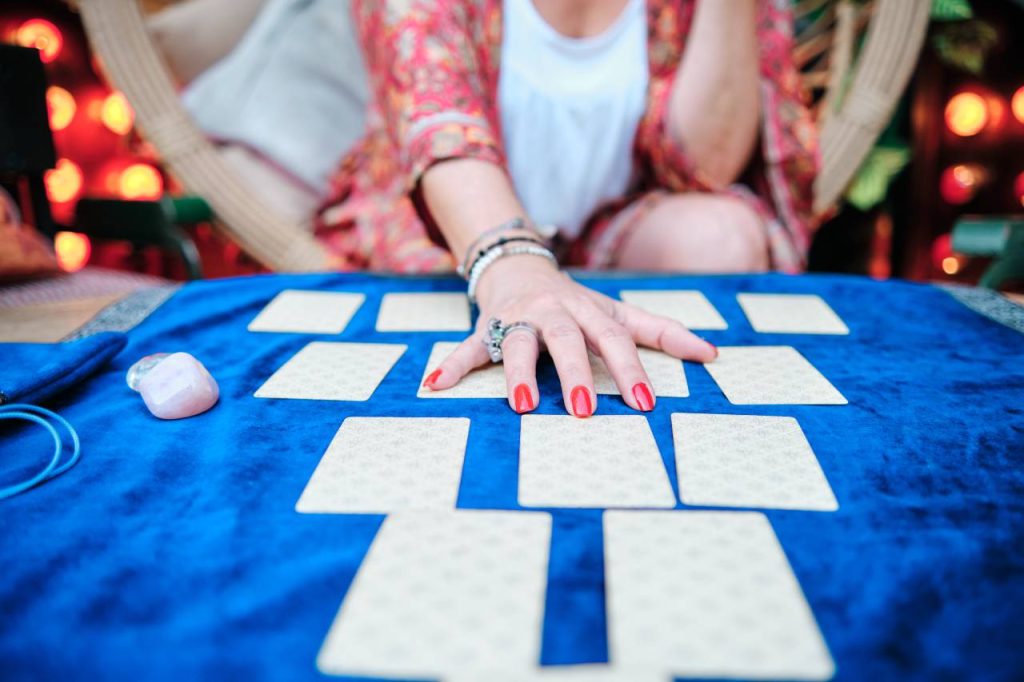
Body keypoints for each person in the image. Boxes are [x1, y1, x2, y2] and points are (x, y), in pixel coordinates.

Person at [316, 0, 820, 418]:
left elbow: (707, 166)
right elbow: (438, 128)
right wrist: (514, 268)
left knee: (723, 238)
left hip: (603, 233)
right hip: (446, 238)